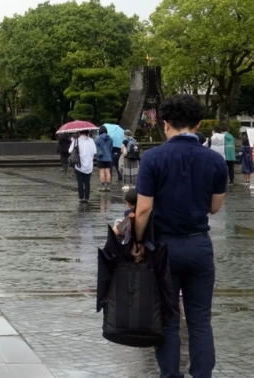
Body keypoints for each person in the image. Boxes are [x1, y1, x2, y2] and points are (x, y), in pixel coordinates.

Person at [131, 95, 227, 378]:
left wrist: (138, 243)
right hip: (199, 246)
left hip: (164, 248)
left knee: (169, 320)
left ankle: (170, 375)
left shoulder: (153, 158)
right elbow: (214, 207)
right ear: (199, 124)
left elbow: (144, 208)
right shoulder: (215, 160)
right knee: (200, 320)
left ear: (165, 124)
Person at [69, 130, 97, 204]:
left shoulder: (76, 140)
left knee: (80, 181)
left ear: (79, 132)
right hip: (89, 164)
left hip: (79, 164)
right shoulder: (91, 140)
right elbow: (94, 151)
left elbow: (70, 150)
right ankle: (87, 197)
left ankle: (81, 197)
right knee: (87, 181)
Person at [95, 126, 114, 192]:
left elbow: (96, 147)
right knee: (108, 172)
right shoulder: (111, 139)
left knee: (102, 172)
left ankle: (103, 187)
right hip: (109, 158)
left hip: (101, 158)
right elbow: (111, 148)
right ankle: (108, 186)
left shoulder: (98, 138)